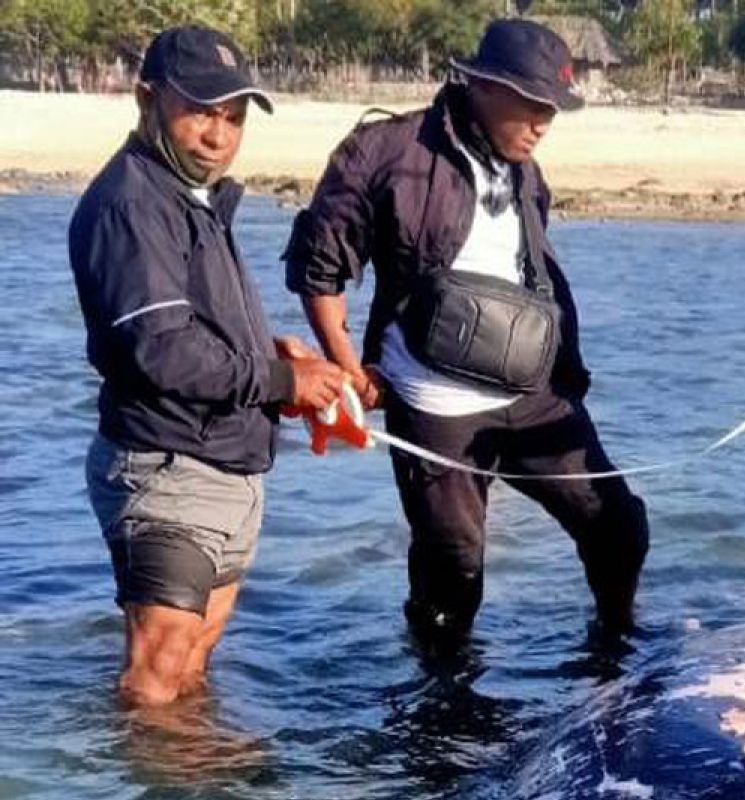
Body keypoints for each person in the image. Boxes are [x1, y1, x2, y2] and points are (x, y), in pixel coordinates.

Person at [284, 19, 650, 644]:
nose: (542, 124)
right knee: (453, 567)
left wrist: (568, 373)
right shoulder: (384, 151)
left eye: (553, 112)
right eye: (532, 106)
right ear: (481, 85)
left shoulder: (528, 172)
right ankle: (440, 710)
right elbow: (318, 269)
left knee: (618, 527)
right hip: (434, 404)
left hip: (533, 397)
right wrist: (347, 367)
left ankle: (615, 649)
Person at [68, 25, 345, 707]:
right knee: (157, 682)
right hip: (166, 470)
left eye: (234, 117)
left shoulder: (187, 195)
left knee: (188, 673)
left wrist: (270, 355)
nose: (219, 135)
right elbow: (160, 348)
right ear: (147, 98)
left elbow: (190, 326)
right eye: (201, 111)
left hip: (222, 467)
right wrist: (283, 383)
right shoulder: (133, 203)